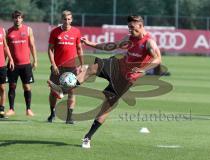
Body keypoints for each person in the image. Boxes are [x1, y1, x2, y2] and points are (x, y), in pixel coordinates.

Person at [48, 15, 161, 148]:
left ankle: (87, 137)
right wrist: (91, 44)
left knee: (106, 107)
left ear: (141, 26)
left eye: (132, 27)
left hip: (126, 79)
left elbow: (158, 59)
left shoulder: (149, 42)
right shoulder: (129, 39)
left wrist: (144, 69)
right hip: (116, 66)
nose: (129, 30)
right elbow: (111, 46)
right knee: (92, 68)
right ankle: (62, 90)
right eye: (129, 27)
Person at [47, 10, 83, 124]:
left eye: (68, 19)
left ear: (71, 19)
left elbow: (79, 49)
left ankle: (69, 117)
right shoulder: (54, 32)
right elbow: (50, 49)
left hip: (72, 67)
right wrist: (53, 64)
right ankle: (52, 113)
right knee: (54, 91)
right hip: (58, 67)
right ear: (61, 19)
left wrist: (81, 64)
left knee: (72, 91)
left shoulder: (76, 32)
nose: (66, 21)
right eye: (64, 19)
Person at [5, 10, 37, 116]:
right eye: (15, 17)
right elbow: (6, 48)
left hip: (26, 64)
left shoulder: (28, 30)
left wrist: (35, 60)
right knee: (12, 86)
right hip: (13, 64)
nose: (17, 19)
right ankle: (11, 109)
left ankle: (28, 109)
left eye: (19, 17)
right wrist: (4, 62)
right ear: (13, 19)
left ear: (22, 19)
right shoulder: (8, 32)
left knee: (27, 86)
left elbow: (32, 46)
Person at [0, 26, 14, 118]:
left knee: (2, 88)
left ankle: (1, 110)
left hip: (1, 65)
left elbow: (5, 46)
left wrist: (11, 59)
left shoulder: (2, 29)